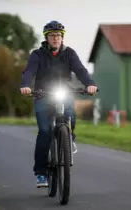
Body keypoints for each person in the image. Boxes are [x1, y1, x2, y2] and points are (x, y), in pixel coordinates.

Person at [20, 20, 98, 187]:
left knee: (70, 116)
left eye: (58, 35)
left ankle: (69, 137)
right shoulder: (37, 54)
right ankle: (41, 173)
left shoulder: (69, 53)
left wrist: (90, 84)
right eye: (52, 35)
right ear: (46, 38)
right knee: (45, 131)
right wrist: (26, 85)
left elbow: (81, 71)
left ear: (62, 37)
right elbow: (29, 71)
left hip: (65, 93)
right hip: (43, 95)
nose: (55, 38)